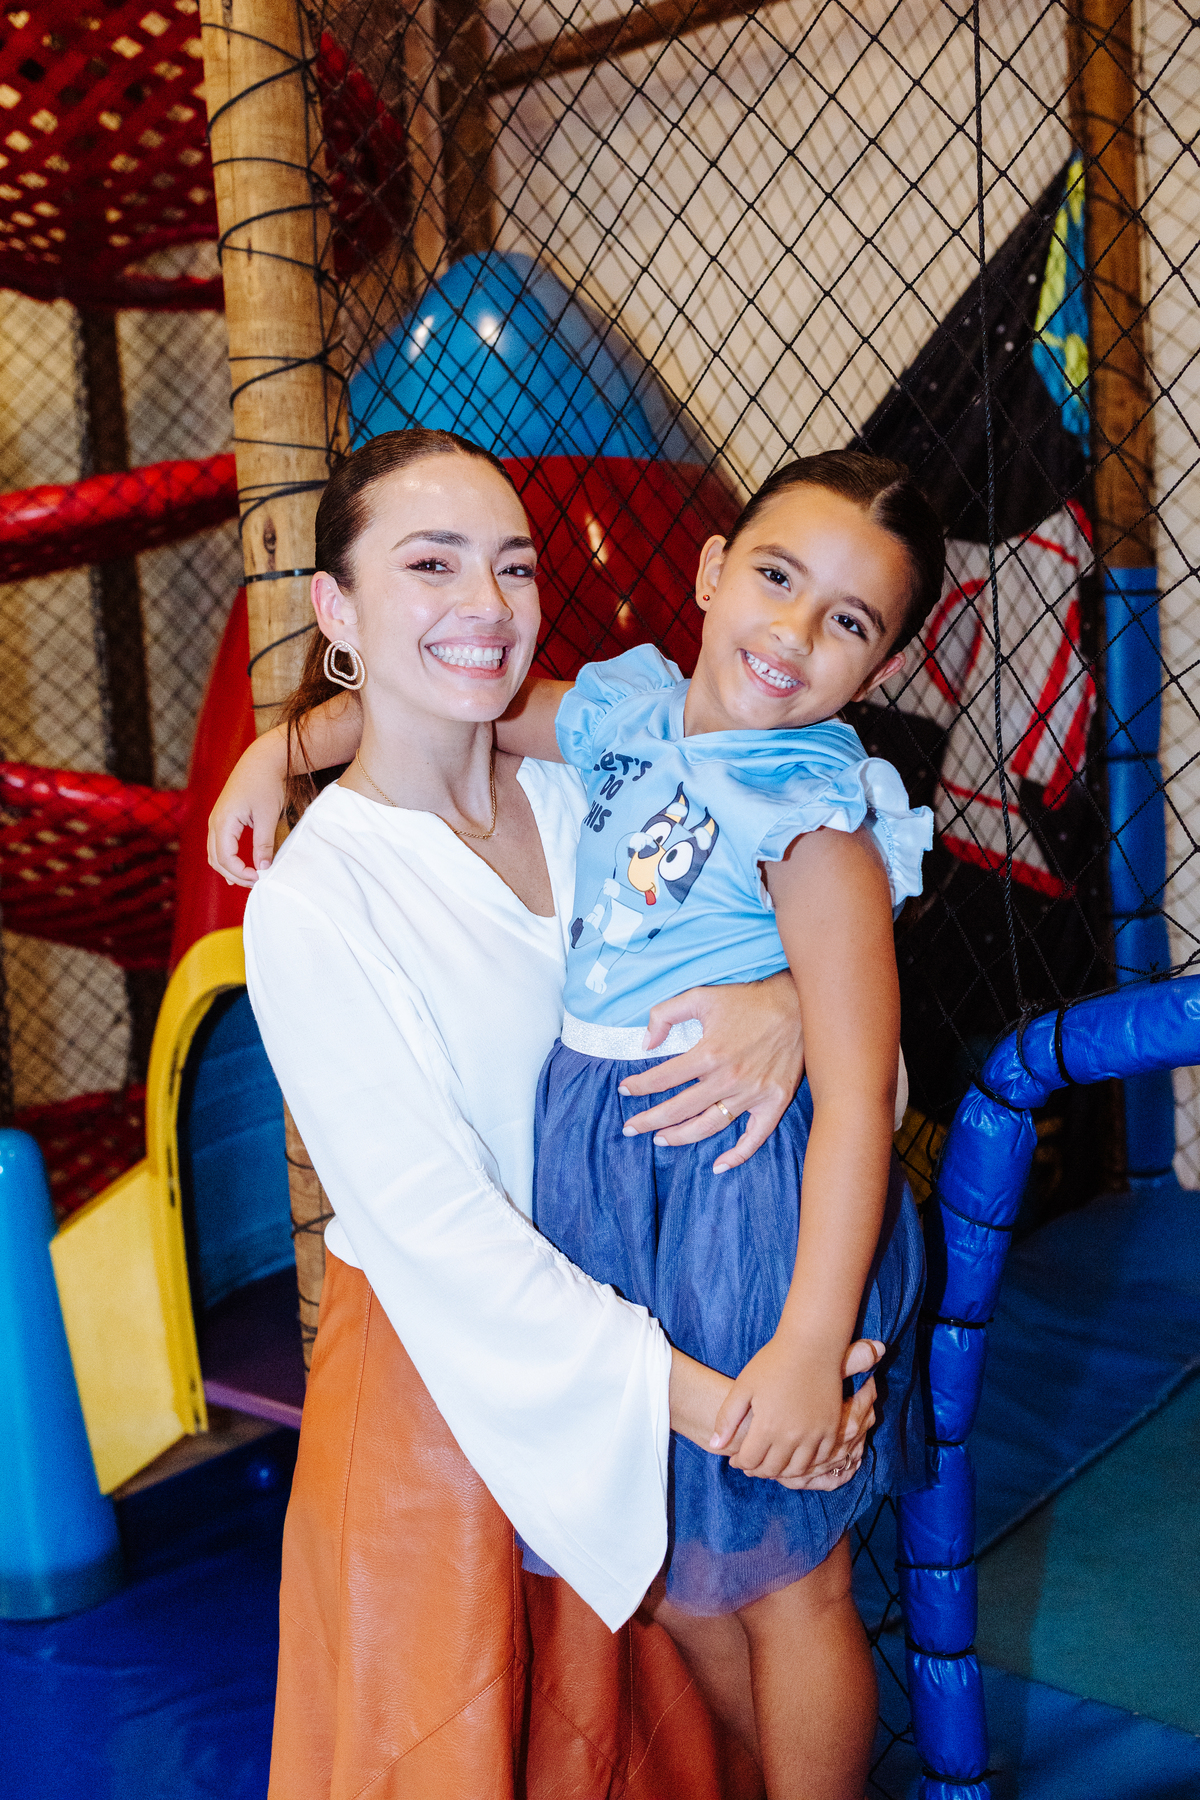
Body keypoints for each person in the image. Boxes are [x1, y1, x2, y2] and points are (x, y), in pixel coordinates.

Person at [218, 429, 885, 1800]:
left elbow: (833, 959)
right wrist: (714, 1405)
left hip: (664, 1290)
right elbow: (443, 1238)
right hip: (457, 1395)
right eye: (431, 563)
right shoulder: (314, 901)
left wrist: (786, 1006)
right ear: (336, 606)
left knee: (724, 1674)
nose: (485, 600)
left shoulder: (601, 785)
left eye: (513, 565)